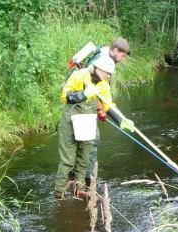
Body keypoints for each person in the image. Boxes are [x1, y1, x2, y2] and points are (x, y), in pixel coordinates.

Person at [54, 54, 134, 200]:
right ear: (96, 68)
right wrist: (84, 94)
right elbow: (65, 96)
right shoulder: (79, 75)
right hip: (70, 121)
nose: (107, 76)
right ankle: (59, 194)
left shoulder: (103, 85)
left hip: (87, 122)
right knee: (68, 160)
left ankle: (78, 190)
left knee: (84, 158)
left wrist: (121, 119)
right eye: (106, 72)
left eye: (109, 74)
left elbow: (108, 105)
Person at [68, 37, 131, 185]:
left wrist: (119, 118)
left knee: (81, 139)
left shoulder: (104, 54)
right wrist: (100, 108)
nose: (123, 59)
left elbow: (101, 92)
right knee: (92, 139)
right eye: (122, 55)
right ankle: (88, 178)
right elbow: (91, 87)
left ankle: (75, 173)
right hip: (80, 102)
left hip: (82, 102)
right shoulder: (102, 60)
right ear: (115, 51)